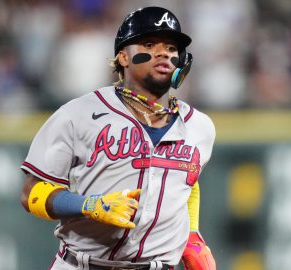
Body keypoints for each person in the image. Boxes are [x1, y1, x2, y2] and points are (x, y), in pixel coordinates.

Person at [20, 6, 216, 270]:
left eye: (171, 48)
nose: (164, 53)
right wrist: (88, 205)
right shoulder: (79, 114)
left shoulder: (200, 127)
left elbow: (187, 182)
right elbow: (31, 192)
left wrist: (191, 235)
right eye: (149, 43)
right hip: (82, 264)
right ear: (123, 57)